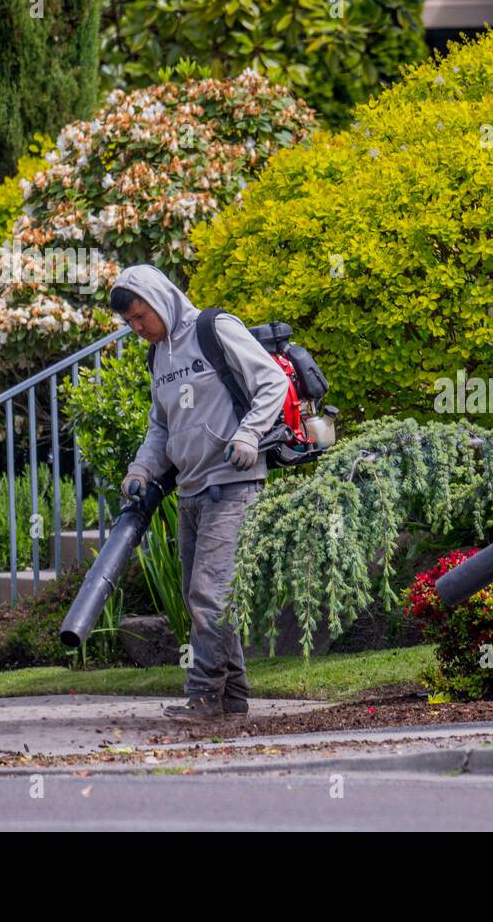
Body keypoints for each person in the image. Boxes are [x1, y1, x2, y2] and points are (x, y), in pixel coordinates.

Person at [109, 265, 290, 721]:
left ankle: (204, 697)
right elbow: (161, 426)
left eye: (141, 316)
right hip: (190, 490)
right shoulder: (158, 356)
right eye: (130, 322)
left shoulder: (214, 329)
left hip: (233, 484)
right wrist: (141, 468)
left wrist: (249, 434)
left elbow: (273, 381)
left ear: (160, 300)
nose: (138, 328)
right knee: (207, 597)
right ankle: (233, 697)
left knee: (210, 595)